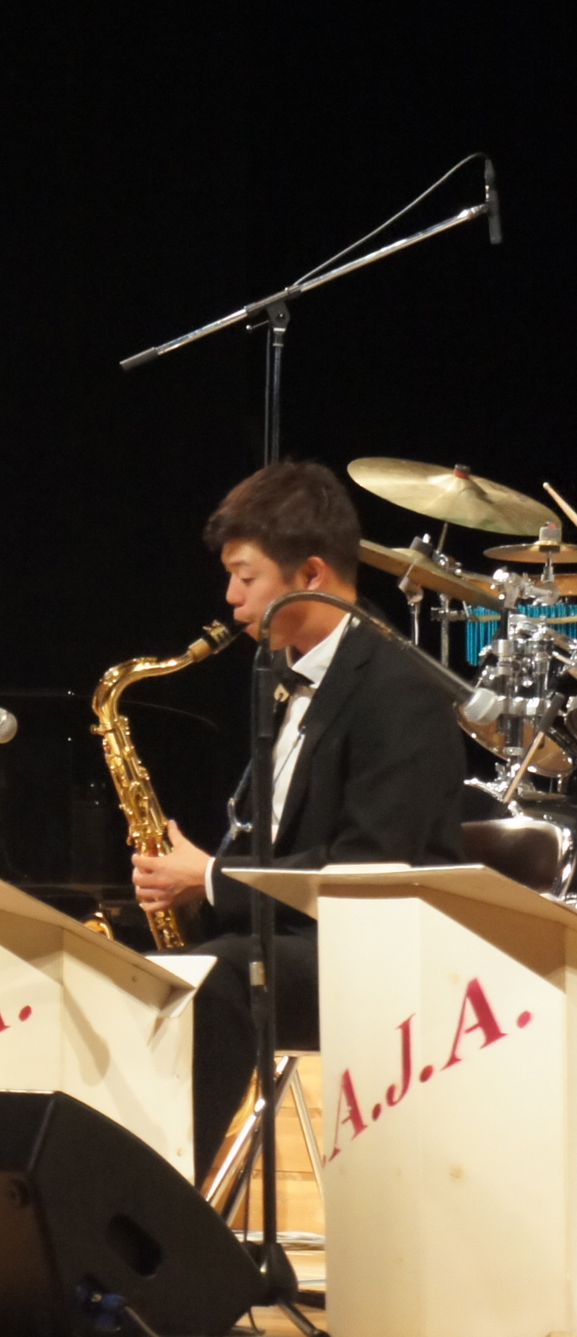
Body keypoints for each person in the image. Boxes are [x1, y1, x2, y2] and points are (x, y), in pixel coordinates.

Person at [130, 462, 468, 1170]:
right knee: (127, 968)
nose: (230, 597)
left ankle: (153, 1196)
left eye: (245, 577)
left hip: (378, 955)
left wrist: (212, 879)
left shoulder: (399, 689)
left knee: (221, 977)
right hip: (296, 944)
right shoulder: (281, 674)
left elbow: (370, 870)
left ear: (311, 574)